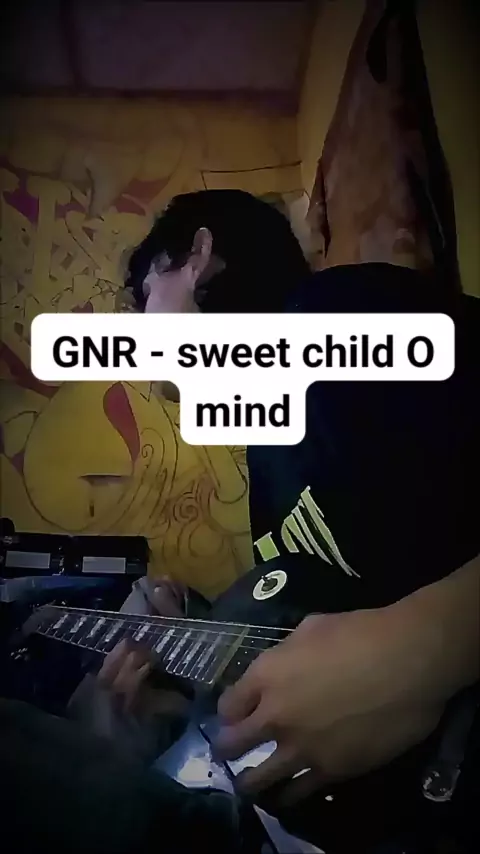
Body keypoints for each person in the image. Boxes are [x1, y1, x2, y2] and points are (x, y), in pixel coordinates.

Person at [3, 190, 478, 853]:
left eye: (146, 297)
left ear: (199, 255)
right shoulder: (270, 450)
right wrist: (199, 695)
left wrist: (427, 648)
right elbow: (317, 623)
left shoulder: (333, 317)